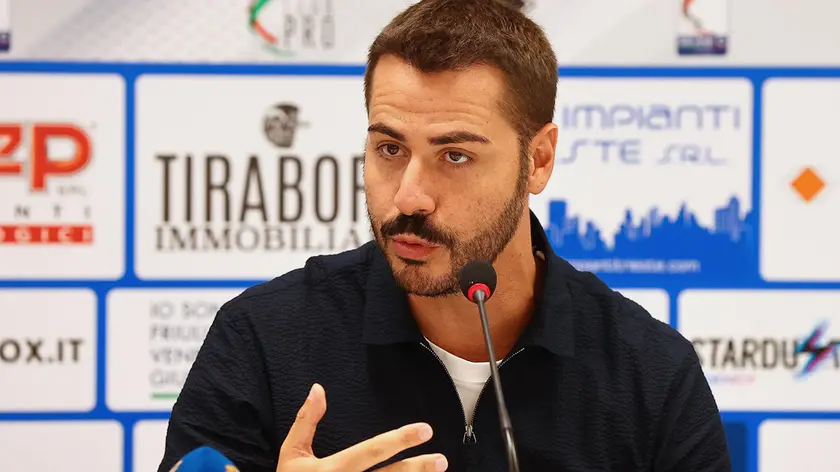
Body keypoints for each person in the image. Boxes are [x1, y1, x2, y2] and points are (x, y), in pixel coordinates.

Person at [157, 0, 733, 471]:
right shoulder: (263, 337)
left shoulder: (649, 371)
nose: (408, 197)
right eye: (389, 149)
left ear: (537, 159)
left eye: (454, 155)